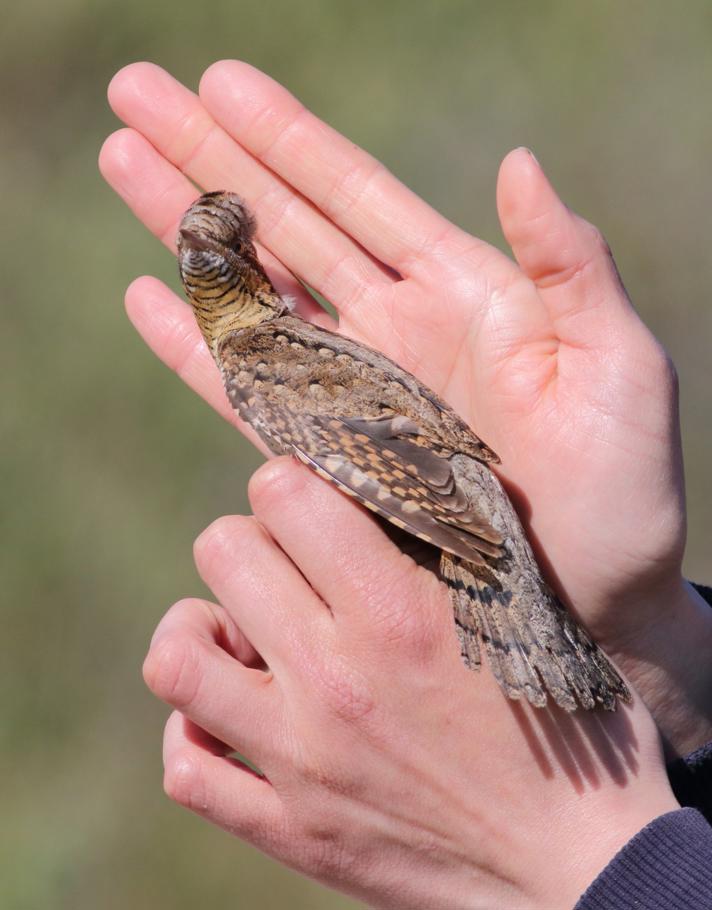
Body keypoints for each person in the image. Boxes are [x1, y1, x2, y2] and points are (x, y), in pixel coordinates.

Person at [100, 61, 712, 909]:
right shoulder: (273, 360)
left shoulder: (263, 364)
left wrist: (571, 858)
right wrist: (659, 649)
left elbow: (398, 467)